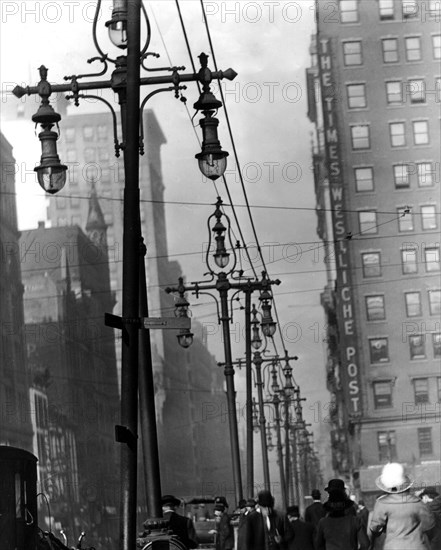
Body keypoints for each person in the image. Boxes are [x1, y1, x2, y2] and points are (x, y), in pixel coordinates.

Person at [369, 462, 435, 550]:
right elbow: (429, 524)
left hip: (393, 547)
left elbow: (375, 528)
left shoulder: (382, 503)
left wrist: (384, 529)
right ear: (406, 485)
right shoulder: (417, 502)